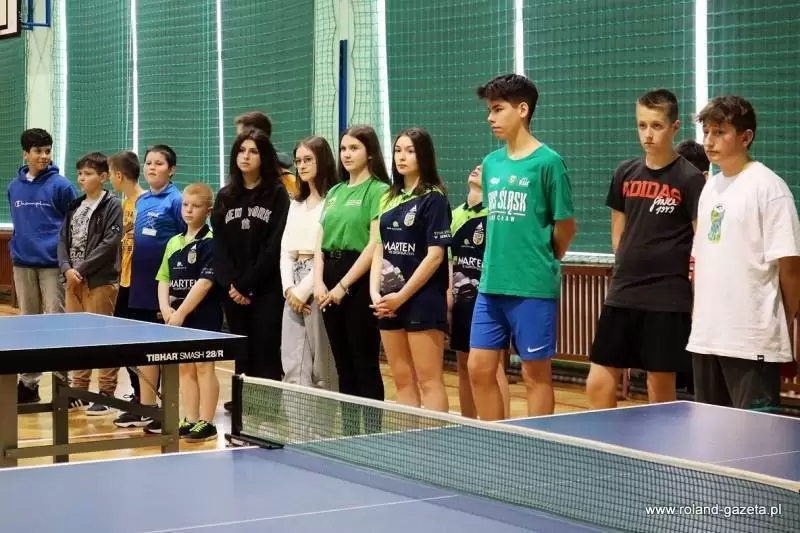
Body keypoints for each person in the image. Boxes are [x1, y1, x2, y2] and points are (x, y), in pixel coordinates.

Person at [586, 89, 705, 409]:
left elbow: (702, 243)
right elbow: (618, 233)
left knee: (659, 389)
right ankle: (602, 441)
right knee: (598, 381)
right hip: (623, 293)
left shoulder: (691, 179)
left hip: (667, 298)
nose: (648, 134)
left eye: (656, 126)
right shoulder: (625, 172)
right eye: (642, 125)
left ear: (674, 127)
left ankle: (662, 444)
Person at [468, 74, 576, 420]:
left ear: (523, 110)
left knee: (534, 374)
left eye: (498, 109)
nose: (490, 118)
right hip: (491, 285)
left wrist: (545, 256)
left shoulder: (549, 163)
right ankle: (495, 440)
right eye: (489, 110)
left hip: (532, 286)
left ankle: (540, 445)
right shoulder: (491, 164)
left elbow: (565, 226)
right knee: (479, 369)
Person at [688, 95, 800, 411]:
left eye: (719, 132)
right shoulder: (710, 188)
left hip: (752, 342)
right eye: (706, 132)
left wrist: (780, 322)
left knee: (754, 437)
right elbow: (703, 260)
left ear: (745, 137)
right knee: (709, 434)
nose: (709, 141)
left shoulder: (769, 188)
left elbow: (791, 267)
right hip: (707, 339)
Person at [368, 128, 452, 412]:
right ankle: (411, 439)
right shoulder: (388, 198)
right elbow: (379, 248)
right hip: (388, 301)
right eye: (398, 150)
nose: (401, 157)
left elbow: (435, 256)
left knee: (429, 380)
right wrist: (375, 293)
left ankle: (437, 439)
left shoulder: (434, 198)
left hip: (422, 299)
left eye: (410, 151)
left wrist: (401, 296)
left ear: (423, 156)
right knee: (402, 380)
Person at [314, 125, 390, 433]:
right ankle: (349, 433)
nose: (346, 154)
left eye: (354, 148)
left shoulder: (379, 191)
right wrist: (319, 282)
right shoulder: (335, 192)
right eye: (344, 148)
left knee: (364, 363)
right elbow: (320, 241)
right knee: (343, 365)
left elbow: (374, 244)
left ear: (370, 153)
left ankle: (371, 434)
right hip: (328, 276)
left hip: (358, 278)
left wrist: (343, 285)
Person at [212, 128, 290, 398]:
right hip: (234, 291)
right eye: (241, 151)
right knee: (241, 353)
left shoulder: (277, 193)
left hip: (266, 290)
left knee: (265, 350)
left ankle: (267, 410)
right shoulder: (226, 195)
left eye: (253, 151)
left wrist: (247, 284)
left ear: (264, 156)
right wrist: (233, 285)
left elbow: (274, 245)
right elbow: (220, 244)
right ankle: (242, 407)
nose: (246, 156)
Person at [117, 145, 187, 432]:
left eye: (159, 163)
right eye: (148, 163)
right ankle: (146, 407)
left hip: (164, 287)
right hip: (139, 285)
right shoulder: (142, 200)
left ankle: (167, 410)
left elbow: (187, 238)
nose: (152, 168)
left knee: (162, 351)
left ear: (172, 169)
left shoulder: (177, 200)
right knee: (142, 347)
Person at [8, 128, 77, 403]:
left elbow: (73, 225)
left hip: (52, 266)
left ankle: (63, 386)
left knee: (55, 325)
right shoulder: (14, 187)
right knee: (29, 327)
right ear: (26, 154)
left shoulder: (62, 186)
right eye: (38, 151)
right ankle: (29, 385)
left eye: (47, 151)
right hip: (23, 264)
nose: (44, 156)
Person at [57, 152, 123, 414]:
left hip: (99, 281)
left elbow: (110, 243)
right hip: (73, 281)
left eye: (88, 174)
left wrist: (81, 269)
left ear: (103, 176)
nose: (81, 178)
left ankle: (106, 392)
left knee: (102, 336)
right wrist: (66, 269)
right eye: (80, 174)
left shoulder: (112, 205)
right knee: (77, 337)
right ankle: (79, 390)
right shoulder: (75, 205)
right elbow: (62, 240)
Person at [156, 183, 222, 441]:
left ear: (208, 210)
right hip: (176, 316)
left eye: (196, 206)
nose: (189, 210)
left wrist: (181, 313)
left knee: (204, 365)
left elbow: (204, 283)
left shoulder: (211, 243)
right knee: (184, 367)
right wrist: (165, 308)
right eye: (185, 205)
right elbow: (163, 278)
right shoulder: (174, 242)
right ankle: (191, 418)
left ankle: (207, 422)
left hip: (203, 313)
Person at [449, 164, 510, 419]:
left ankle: (503, 428)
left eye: (484, 169)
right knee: (463, 365)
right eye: (476, 166)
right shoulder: (454, 215)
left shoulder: (497, 215)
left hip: (486, 298)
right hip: (460, 299)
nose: (477, 168)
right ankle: (468, 425)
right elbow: (449, 260)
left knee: (492, 367)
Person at [280, 137, 339, 391]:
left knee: (323, 366)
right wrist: (289, 289)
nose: (301, 166)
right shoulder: (296, 203)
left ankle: (324, 419)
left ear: (322, 161)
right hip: (293, 284)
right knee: (293, 362)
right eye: (298, 161)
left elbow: (326, 250)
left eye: (308, 160)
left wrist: (304, 290)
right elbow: (286, 249)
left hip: (319, 281)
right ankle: (297, 418)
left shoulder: (333, 201)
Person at [107, 151, 147, 406]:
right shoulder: (125, 205)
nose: (111, 179)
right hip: (124, 282)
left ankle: (146, 397)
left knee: (141, 344)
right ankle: (137, 392)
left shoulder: (145, 202)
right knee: (123, 341)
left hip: (141, 286)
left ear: (119, 176)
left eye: (111, 174)